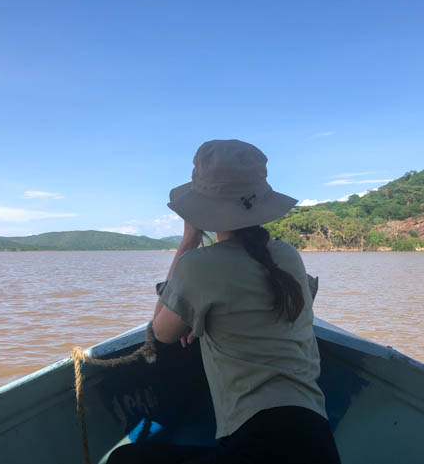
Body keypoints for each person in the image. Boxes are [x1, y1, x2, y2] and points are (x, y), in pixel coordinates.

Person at [108, 140, 341, 464]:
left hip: (255, 446)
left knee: (126, 460)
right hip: (318, 443)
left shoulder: (200, 266)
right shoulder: (288, 256)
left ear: (202, 209)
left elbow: (161, 333)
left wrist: (190, 239)